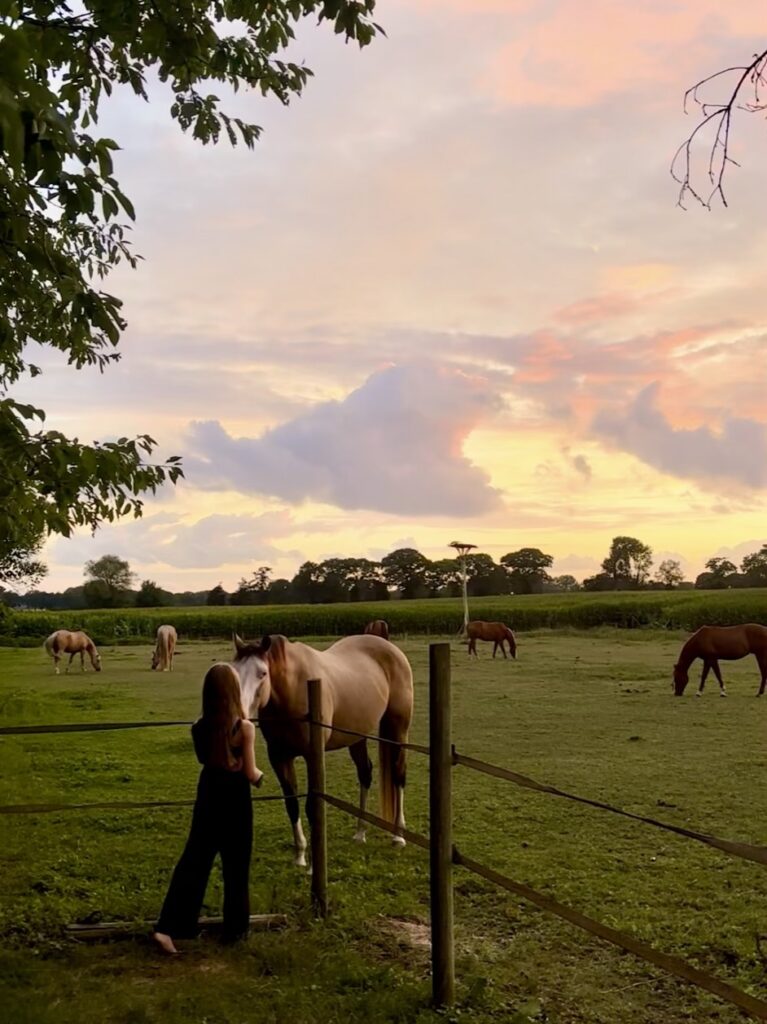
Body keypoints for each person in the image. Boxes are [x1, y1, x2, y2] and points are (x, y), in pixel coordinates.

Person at [151, 663, 263, 955]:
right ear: (234, 691)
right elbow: (250, 774)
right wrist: (258, 775)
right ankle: (235, 932)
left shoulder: (198, 728)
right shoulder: (245, 728)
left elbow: (207, 760)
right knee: (236, 866)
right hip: (236, 800)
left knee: (195, 862)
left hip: (208, 794)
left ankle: (168, 928)